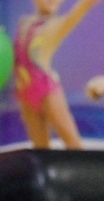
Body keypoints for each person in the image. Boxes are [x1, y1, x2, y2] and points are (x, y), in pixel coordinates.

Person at [13, 0, 100, 149]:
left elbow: (82, 8)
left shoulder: (57, 24)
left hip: (47, 90)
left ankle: (82, 165)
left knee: (73, 145)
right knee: (40, 150)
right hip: (25, 93)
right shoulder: (24, 23)